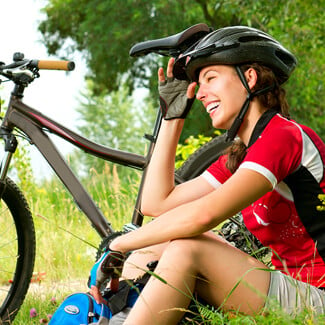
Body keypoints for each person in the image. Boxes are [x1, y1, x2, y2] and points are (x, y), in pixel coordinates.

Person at [89, 26, 325, 324]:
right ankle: (118, 316)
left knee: (188, 247)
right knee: (154, 243)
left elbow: (203, 216)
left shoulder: (283, 136)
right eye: (199, 85)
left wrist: (118, 244)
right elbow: (156, 203)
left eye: (211, 78)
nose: (200, 94)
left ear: (249, 78)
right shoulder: (243, 154)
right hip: (291, 289)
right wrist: (173, 117)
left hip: (317, 298)